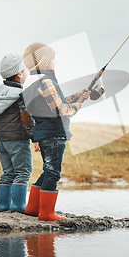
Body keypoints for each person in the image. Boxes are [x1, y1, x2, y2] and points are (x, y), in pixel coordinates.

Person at [22, 42, 90, 221]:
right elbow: (60, 110)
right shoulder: (46, 81)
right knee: (53, 173)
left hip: (43, 133)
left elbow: (50, 101)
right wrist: (77, 106)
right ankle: (46, 213)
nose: (54, 62)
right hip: (53, 134)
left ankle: (32, 208)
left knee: (47, 170)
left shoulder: (33, 82)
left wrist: (77, 96)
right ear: (44, 63)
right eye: (53, 59)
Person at [0, 53, 34, 213]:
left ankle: (3, 206)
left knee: (8, 173)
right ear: (19, 74)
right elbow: (25, 116)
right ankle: (19, 206)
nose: (27, 72)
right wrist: (33, 136)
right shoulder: (20, 95)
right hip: (18, 140)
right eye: (25, 69)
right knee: (23, 172)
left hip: (2, 141)